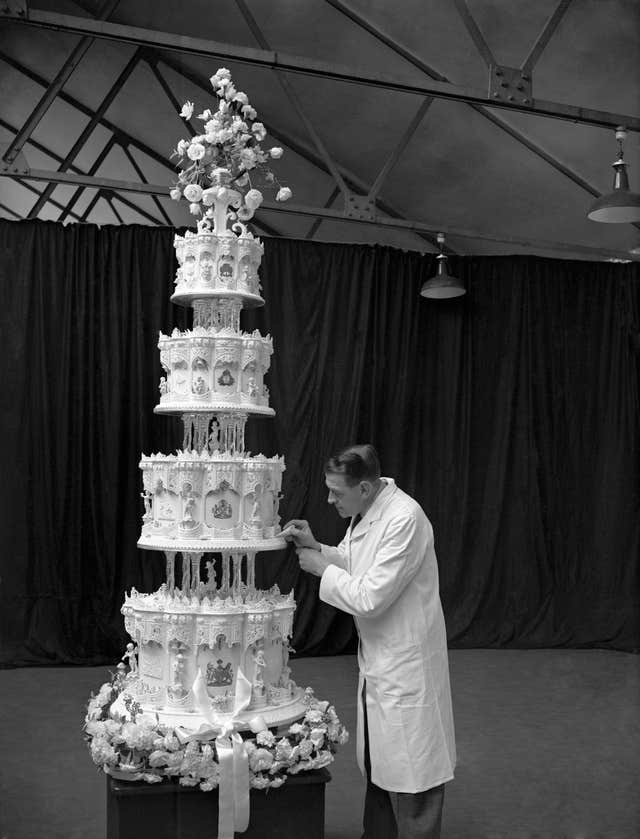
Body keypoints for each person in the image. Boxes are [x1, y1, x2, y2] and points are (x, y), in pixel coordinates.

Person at [284, 444, 456, 839]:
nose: (329, 500)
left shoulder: (405, 519)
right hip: (381, 659)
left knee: (416, 769)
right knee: (382, 761)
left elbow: (371, 597)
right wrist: (318, 548)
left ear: (364, 487)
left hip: (406, 663)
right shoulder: (370, 509)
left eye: (336, 493)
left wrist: (322, 570)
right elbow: (356, 561)